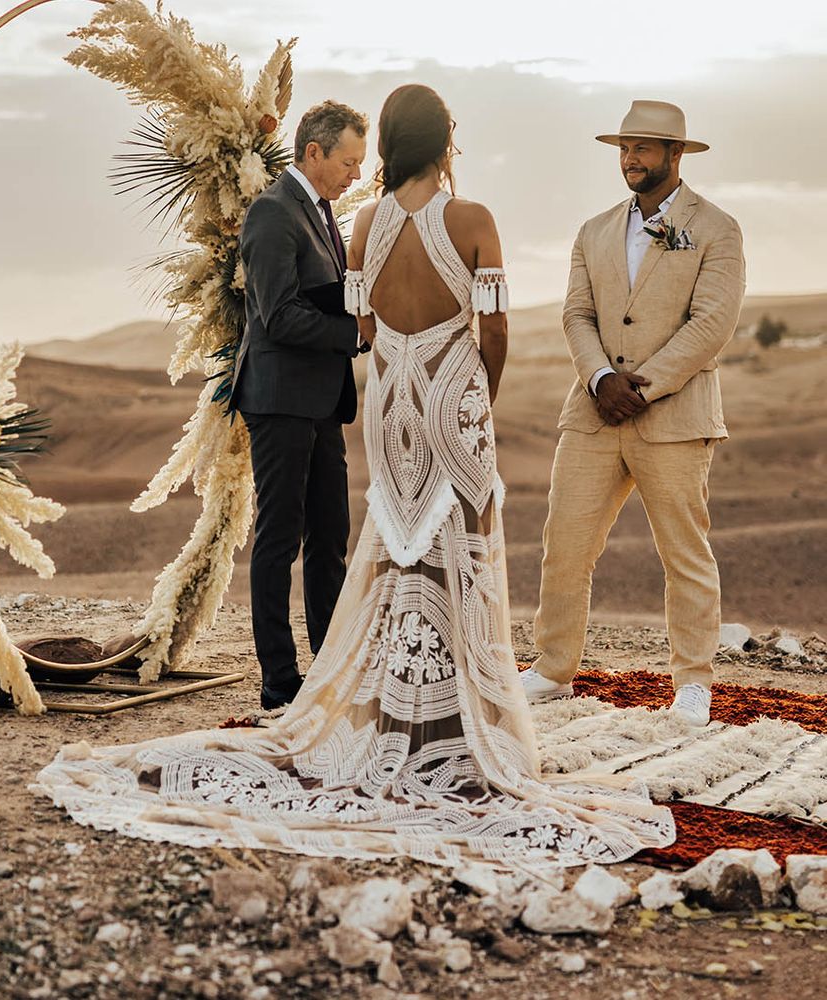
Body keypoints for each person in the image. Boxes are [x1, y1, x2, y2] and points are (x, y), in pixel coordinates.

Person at [36, 86, 674, 869]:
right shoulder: (472, 220)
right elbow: (496, 325)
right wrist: (477, 393)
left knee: (393, 545)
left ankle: (385, 713)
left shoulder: (366, 223)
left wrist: (400, 363)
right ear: (446, 143)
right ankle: (455, 727)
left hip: (388, 401)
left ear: (385, 149)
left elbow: (363, 321)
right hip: (451, 397)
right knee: (460, 550)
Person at [520, 101, 746, 728]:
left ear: (677, 155)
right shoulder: (593, 230)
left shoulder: (717, 228)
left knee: (684, 551)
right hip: (593, 412)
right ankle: (551, 667)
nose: (631, 158)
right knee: (564, 544)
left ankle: (694, 681)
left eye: (644, 148)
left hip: (673, 417)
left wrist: (640, 389)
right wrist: (598, 378)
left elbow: (712, 323)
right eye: (625, 148)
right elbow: (577, 314)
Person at [229, 101, 368, 711]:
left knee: (330, 536)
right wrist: (355, 336)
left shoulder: (324, 214)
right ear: (312, 152)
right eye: (348, 161)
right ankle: (279, 682)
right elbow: (277, 314)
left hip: (321, 401)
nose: (355, 174)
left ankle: (327, 669)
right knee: (279, 539)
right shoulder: (272, 212)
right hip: (280, 399)